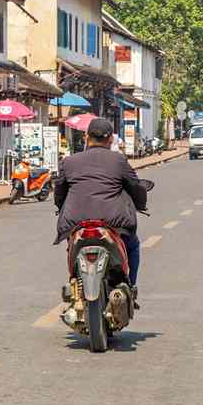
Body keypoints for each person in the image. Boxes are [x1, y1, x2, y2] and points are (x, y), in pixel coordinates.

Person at [54, 117, 147, 293]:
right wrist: (140, 204)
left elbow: (60, 191)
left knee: (72, 246)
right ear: (111, 139)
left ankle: (75, 282)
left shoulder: (69, 162)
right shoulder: (118, 160)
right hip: (113, 222)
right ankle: (130, 286)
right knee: (132, 245)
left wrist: (60, 207)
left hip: (75, 222)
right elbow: (136, 187)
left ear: (86, 137)